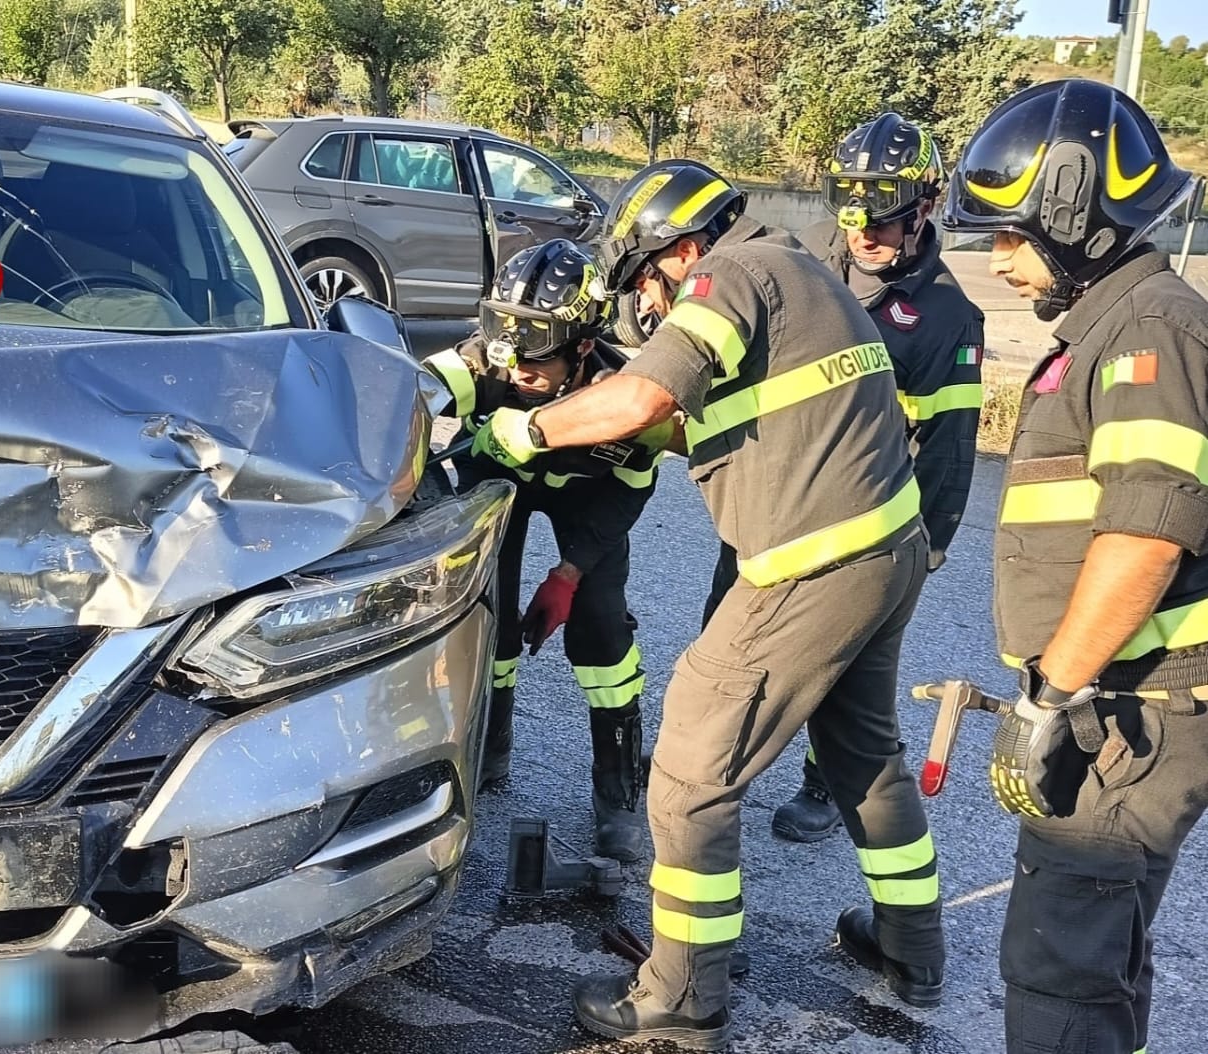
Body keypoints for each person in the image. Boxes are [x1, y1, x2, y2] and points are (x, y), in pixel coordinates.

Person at [473, 159, 946, 1046]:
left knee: (691, 772)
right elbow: (702, 419)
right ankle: (910, 947)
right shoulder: (804, 272)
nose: (645, 305)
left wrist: (525, 428)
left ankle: (682, 995)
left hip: (810, 566)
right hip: (888, 552)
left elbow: (645, 393)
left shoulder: (729, 273)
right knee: (865, 757)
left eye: (644, 283)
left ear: (678, 250)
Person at [939, 77, 1208, 1054]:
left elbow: (1144, 537)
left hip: (1132, 711)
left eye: (1010, 236)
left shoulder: (1147, 333)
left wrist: (1048, 696)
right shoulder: (1112, 328)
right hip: (1123, 698)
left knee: (1059, 964)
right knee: (1098, 962)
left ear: (1071, 214)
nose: (997, 260)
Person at [754, 112, 987, 843]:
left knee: (845, 663)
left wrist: (929, 544)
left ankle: (825, 783)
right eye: (851, 216)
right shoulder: (809, 260)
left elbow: (948, 444)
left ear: (923, 207)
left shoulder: (947, 316)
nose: (862, 234)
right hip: (777, 498)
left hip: (864, 519)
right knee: (730, 631)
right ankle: (717, 760)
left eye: (881, 220)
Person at [421, 238, 672, 862]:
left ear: (582, 347)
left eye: (535, 362)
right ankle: (491, 746)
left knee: (601, 632)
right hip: (497, 482)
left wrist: (569, 573)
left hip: (591, 497)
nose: (515, 373)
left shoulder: (622, 398)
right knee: (488, 618)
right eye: (506, 356)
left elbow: (629, 493)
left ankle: (617, 792)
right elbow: (410, 392)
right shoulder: (489, 362)